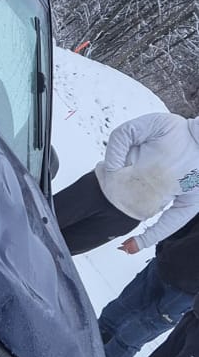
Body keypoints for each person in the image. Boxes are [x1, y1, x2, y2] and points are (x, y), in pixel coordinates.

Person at [55, 108, 199, 256]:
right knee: (36, 221)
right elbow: (125, 133)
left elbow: (184, 210)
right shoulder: (171, 124)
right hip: (95, 190)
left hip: (122, 221)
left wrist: (144, 240)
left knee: (58, 254)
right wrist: (113, 173)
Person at [98, 211, 199, 357]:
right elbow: (185, 218)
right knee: (113, 314)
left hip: (184, 296)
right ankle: (74, 354)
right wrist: (165, 247)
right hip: (164, 264)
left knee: (130, 337)